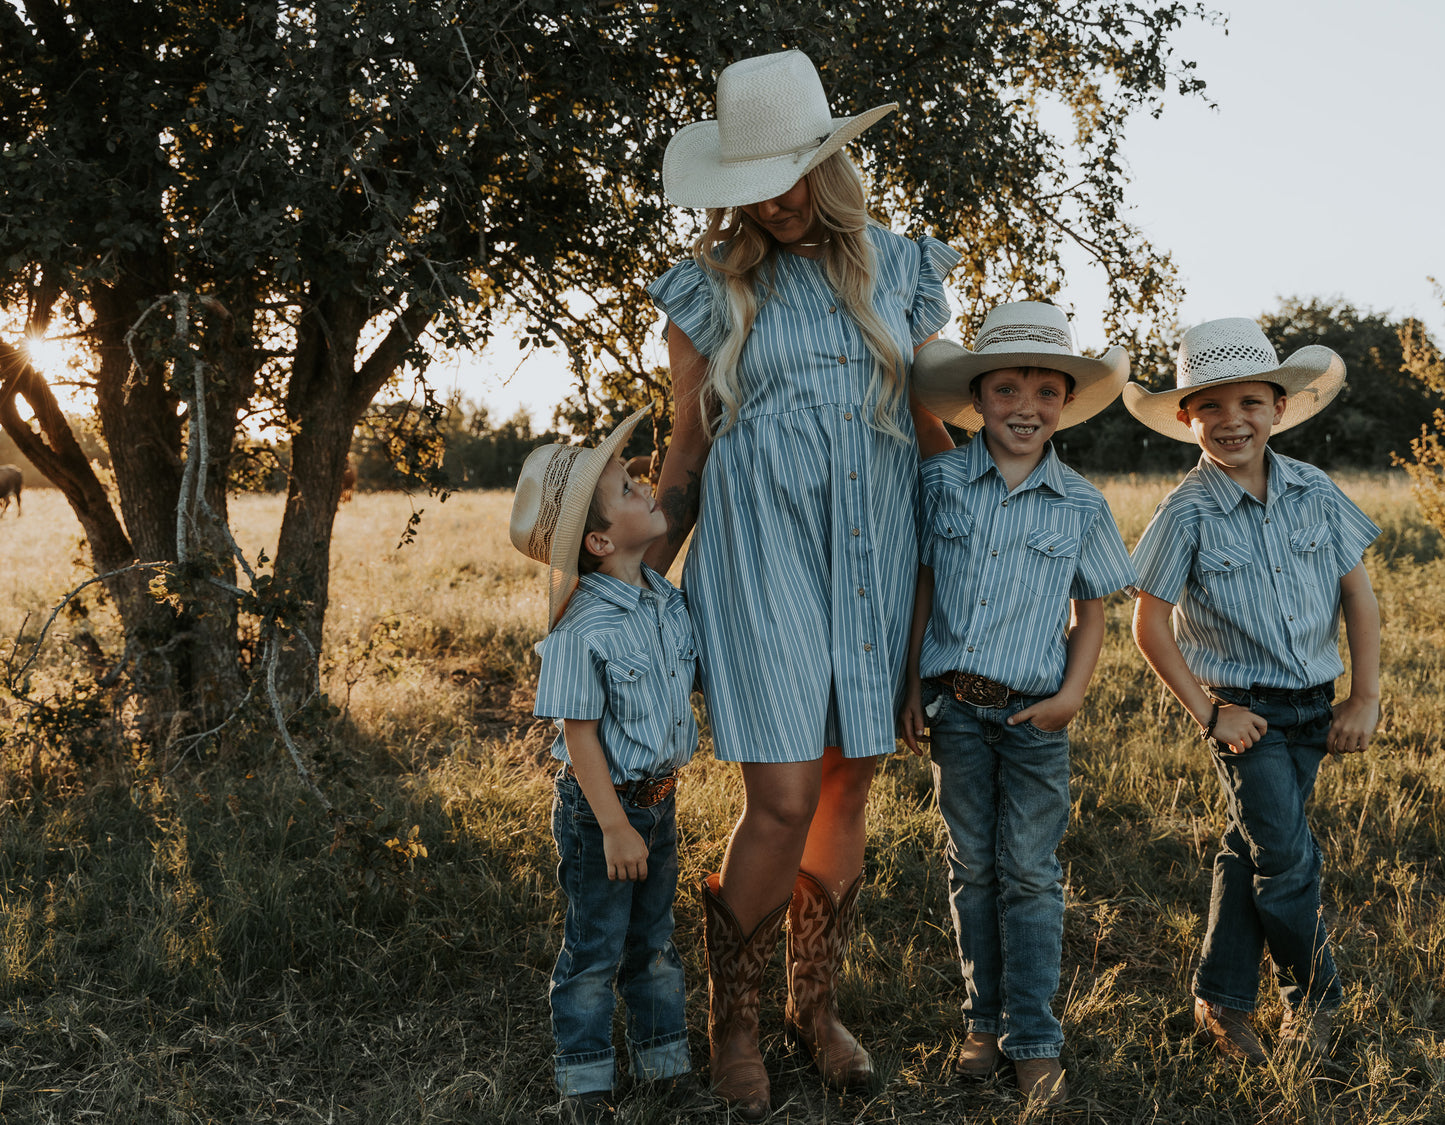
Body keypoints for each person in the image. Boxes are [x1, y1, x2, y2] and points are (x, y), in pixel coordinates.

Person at [644, 49, 960, 1119]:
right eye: (751, 183)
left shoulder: (902, 271)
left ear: (830, 163)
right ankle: (731, 1022)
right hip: (759, 552)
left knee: (846, 782)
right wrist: (622, 594)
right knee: (777, 797)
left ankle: (811, 1007)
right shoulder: (705, 292)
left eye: (789, 174)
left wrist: (959, 590)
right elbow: (681, 464)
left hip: (875, 553)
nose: (772, 201)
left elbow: (934, 444)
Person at [898, 301, 1136, 1106]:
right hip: (956, 708)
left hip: (1036, 714)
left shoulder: (1079, 503)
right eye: (1005, 389)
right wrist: (911, 685)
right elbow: (922, 584)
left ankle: (1032, 1034)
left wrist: (1072, 694)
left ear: (1063, 402)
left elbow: (1093, 608)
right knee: (972, 868)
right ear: (978, 398)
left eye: (1042, 391)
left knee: (1029, 874)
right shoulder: (938, 484)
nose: (1023, 407)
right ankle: (980, 1020)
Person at [1124, 318, 1381, 1063]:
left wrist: (1362, 696)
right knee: (1288, 859)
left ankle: (1220, 996)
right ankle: (1314, 1000)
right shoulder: (1186, 510)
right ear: (1186, 417)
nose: (1230, 420)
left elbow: (1356, 595)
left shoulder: (1314, 490)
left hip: (1314, 705)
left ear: (1278, 407)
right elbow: (1148, 622)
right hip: (1245, 713)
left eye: (1248, 403)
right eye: (1210, 406)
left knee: (1250, 849)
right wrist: (1210, 711)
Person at [510, 406, 703, 1125]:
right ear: (597, 538)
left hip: (658, 800)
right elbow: (580, 734)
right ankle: (584, 1084)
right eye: (627, 487)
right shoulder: (581, 626)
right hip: (603, 811)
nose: (646, 484)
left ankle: (662, 1064)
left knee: (653, 943)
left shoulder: (664, 602)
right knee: (593, 948)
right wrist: (615, 825)